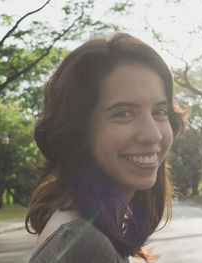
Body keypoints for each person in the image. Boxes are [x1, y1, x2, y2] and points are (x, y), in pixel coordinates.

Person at [25, 32, 185, 263]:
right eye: (123, 113)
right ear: (77, 131)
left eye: (159, 112)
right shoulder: (83, 243)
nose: (153, 135)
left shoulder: (78, 226)